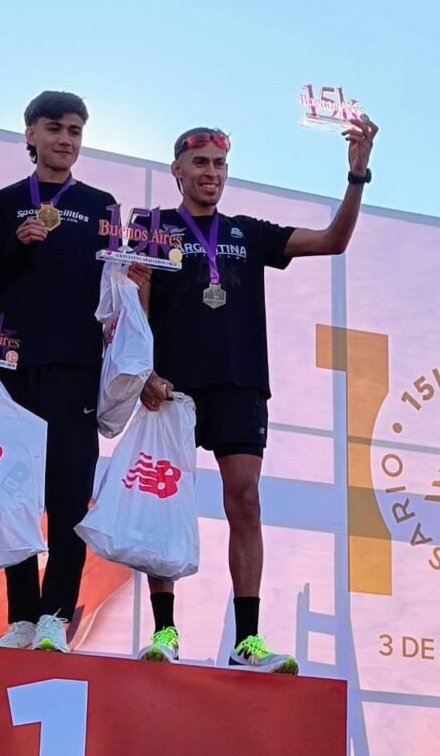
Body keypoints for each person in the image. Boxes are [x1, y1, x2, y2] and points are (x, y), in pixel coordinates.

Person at [132, 117, 378, 672]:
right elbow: (134, 299)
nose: (211, 173)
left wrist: (356, 176)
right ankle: (165, 631)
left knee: (244, 500)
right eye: (200, 163)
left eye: (220, 165)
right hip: (171, 386)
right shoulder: (152, 226)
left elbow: (333, 241)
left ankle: (247, 640)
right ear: (177, 171)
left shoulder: (247, 232)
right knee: (165, 501)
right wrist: (143, 370)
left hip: (239, 383)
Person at [0, 91, 117, 653]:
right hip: (11, 364)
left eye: (75, 130)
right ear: (30, 134)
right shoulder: (5, 201)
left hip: (76, 367)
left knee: (68, 497)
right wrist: (16, 245)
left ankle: (56, 616)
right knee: (12, 495)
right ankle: (20, 617)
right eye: (55, 128)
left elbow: (117, 287)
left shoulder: (102, 205)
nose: (65, 139)